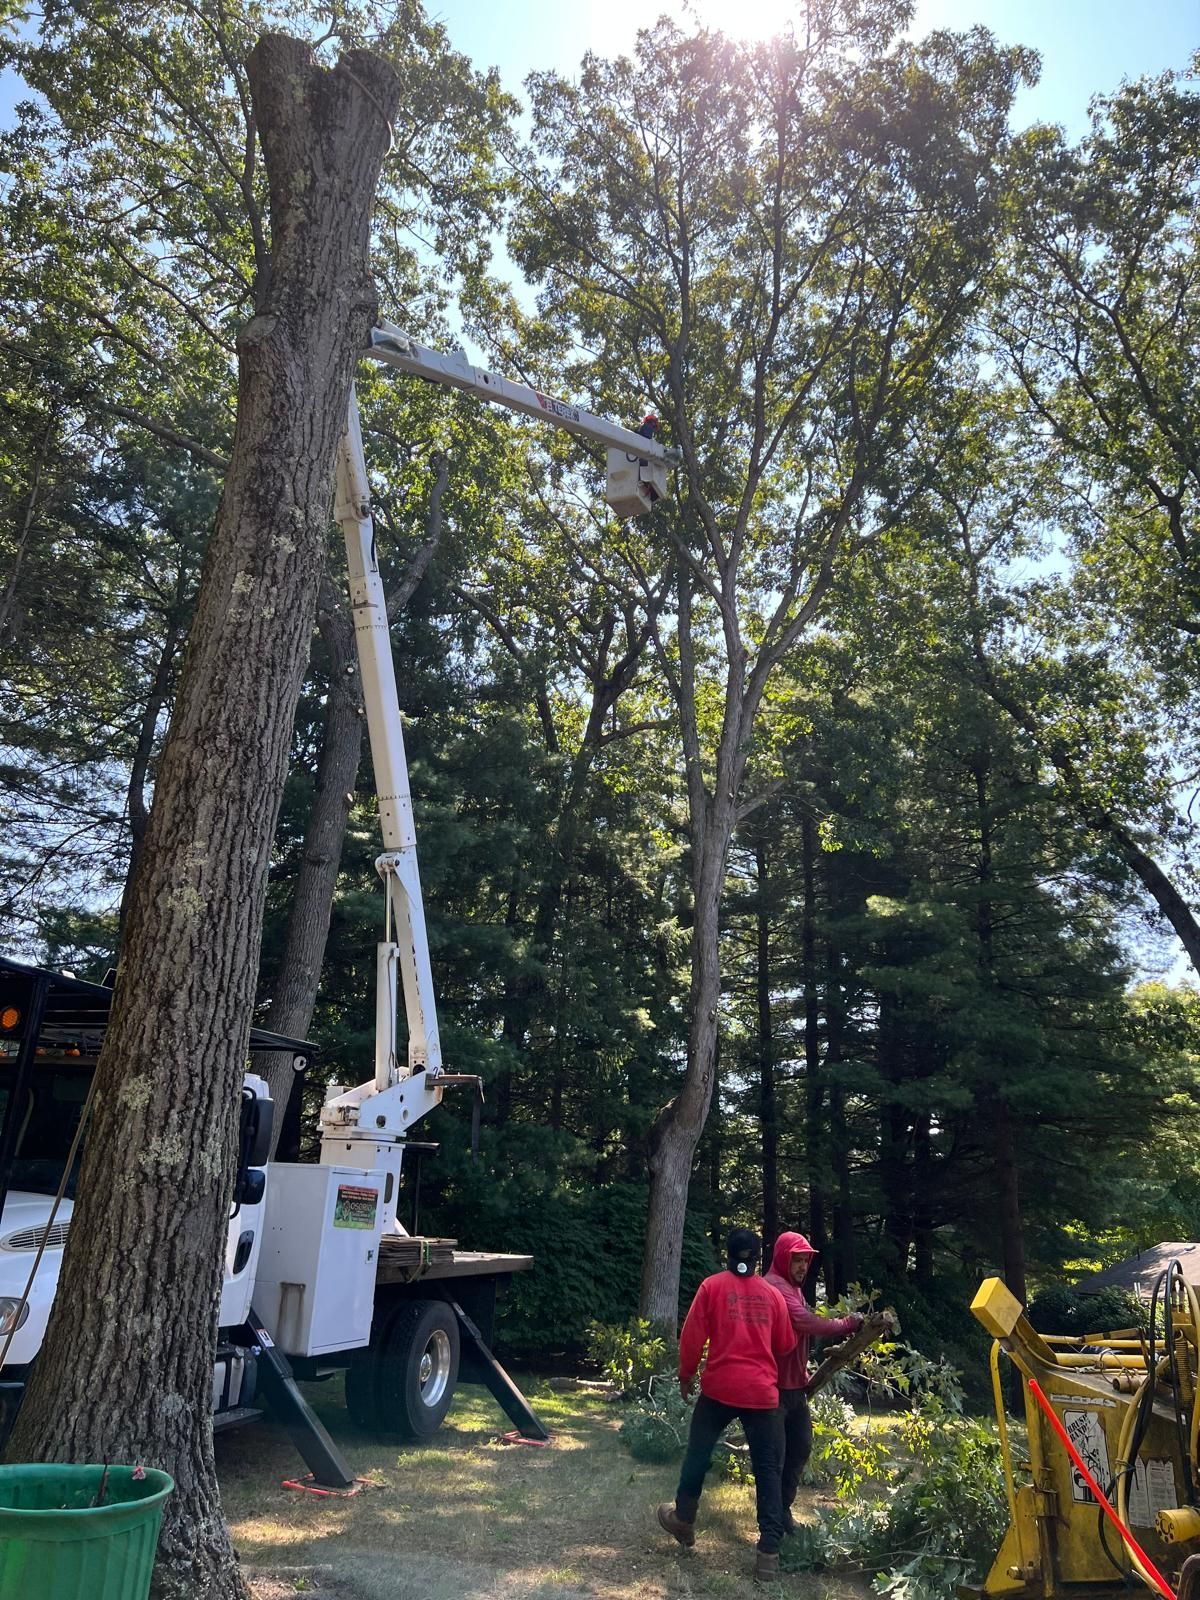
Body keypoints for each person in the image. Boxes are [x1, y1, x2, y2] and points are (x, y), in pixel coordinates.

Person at [656, 1227, 796, 1582]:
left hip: (719, 1389)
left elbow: (691, 1338)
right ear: (758, 1256)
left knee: (698, 1454)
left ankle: (684, 1518)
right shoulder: (772, 1295)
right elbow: (785, 1344)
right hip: (762, 1394)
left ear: (728, 1254)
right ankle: (768, 1552)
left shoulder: (712, 1287)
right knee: (768, 1469)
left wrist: (686, 1374)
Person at [763, 1231, 863, 1534]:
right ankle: (772, 1524)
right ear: (782, 1258)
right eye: (797, 1260)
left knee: (801, 1448)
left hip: (796, 1389)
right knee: (776, 1458)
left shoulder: (795, 1290)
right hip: (774, 1390)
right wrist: (846, 1324)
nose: (803, 1266)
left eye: (806, 1260)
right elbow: (805, 1322)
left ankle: (782, 1510)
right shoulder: (775, 1288)